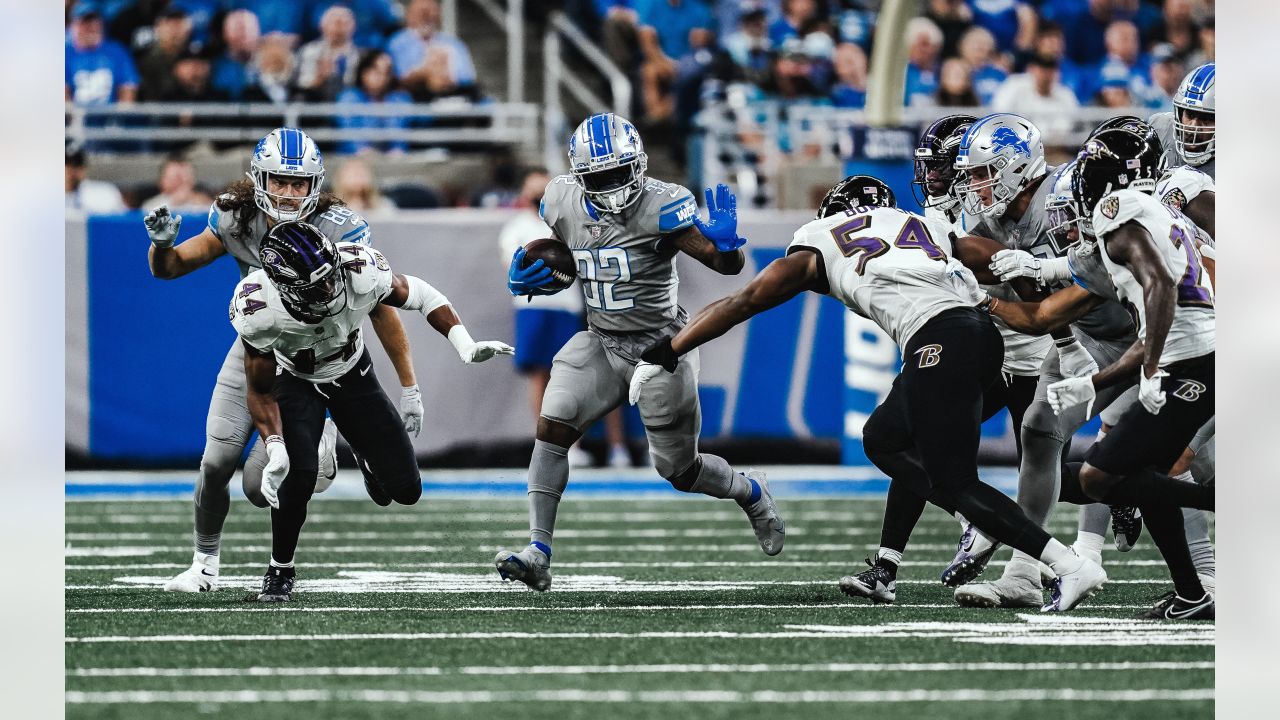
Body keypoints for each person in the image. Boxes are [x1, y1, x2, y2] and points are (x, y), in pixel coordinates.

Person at [628, 175, 1108, 612]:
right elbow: (996, 261)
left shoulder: (820, 239)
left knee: (957, 481)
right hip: (980, 335)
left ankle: (1065, 563)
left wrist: (668, 348)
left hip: (939, 338)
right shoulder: (920, 223)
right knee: (885, 437)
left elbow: (745, 299)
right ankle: (962, 526)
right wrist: (1050, 301)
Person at [493, 113, 784, 592]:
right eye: (598, 177)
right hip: (601, 339)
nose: (610, 186)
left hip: (662, 347)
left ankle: (751, 491)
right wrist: (536, 273)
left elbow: (722, 264)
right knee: (553, 422)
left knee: (679, 469)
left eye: (618, 173)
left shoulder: (661, 206)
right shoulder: (560, 200)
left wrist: (729, 247)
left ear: (639, 165)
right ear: (579, 175)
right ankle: (538, 551)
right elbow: (570, 251)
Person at [144, 128, 422, 593]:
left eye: (299, 184)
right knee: (215, 462)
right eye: (279, 181)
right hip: (257, 348)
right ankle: (204, 565)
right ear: (259, 179)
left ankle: (324, 439)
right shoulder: (236, 218)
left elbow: (381, 305)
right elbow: (171, 268)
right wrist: (161, 246)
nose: (289, 194)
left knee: (260, 488)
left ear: (315, 185)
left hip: (320, 356)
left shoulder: (339, 226)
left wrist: (409, 385)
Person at [974, 128, 1215, 618]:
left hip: (1196, 363)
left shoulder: (1118, 208)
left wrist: (1149, 370)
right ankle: (1192, 593)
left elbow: (1161, 287)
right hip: (1191, 358)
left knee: (1102, 477)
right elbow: (1082, 278)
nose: (1074, 205)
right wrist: (1093, 381)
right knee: (1139, 475)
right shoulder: (1154, 217)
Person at [233, 221, 512, 601]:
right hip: (295, 379)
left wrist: (463, 344)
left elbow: (423, 294)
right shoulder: (260, 308)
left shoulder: (358, 269)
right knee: (296, 479)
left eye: (330, 278)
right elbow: (261, 389)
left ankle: (364, 455)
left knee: (406, 491)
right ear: (285, 290)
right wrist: (276, 445)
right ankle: (280, 570)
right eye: (315, 288)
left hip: (352, 373)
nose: (330, 290)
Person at [945, 113, 1140, 609]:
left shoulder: (1071, 192)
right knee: (1038, 430)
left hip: (1149, 334)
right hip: (1088, 337)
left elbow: (1108, 269)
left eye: (985, 174)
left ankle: (1207, 578)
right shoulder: (991, 223)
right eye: (973, 176)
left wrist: (1044, 274)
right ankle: (1025, 572)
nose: (977, 187)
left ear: (1017, 167)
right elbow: (1029, 307)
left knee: (1187, 463)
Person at [498, 169, 631, 469]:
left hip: (570, 306)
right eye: (531, 188)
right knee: (540, 378)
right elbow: (511, 268)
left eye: (541, 188)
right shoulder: (516, 227)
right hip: (532, 308)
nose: (536, 194)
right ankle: (551, 447)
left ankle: (591, 446)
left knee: (579, 377)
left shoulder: (569, 222)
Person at [336, 50, 414, 155]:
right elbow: (349, 134)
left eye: (386, 72)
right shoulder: (348, 98)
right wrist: (363, 151)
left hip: (392, 162)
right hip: (354, 159)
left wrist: (397, 151)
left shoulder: (400, 99)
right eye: (376, 71)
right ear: (363, 72)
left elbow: (402, 137)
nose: (382, 77)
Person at [65, 2, 139, 105]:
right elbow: (64, 93)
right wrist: (73, 118)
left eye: (95, 21)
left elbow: (128, 87)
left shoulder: (117, 51)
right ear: (74, 25)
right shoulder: (66, 54)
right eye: (86, 22)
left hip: (110, 117)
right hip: (77, 117)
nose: (91, 26)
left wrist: (120, 117)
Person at [1149, 62, 1215, 176]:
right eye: (1189, 114)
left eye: (1206, 118)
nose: (1193, 126)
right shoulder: (1160, 129)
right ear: (1179, 114)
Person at [295, 4, 362, 102]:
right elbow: (300, 86)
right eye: (334, 22)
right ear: (322, 25)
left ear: (353, 26)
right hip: (314, 103)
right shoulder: (308, 51)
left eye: (344, 22)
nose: (338, 27)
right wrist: (319, 78)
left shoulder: (361, 56)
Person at [65, 141, 126, 214]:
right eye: (66, 164)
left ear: (84, 168)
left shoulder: (105, 194)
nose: (70, 170)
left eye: (76, 164)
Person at [141, 156, 213, 211]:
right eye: (175, 177)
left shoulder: (205, 206)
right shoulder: (150, 206)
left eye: (185, 176)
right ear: (161, 181)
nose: (180, 182)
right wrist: (174, 202)